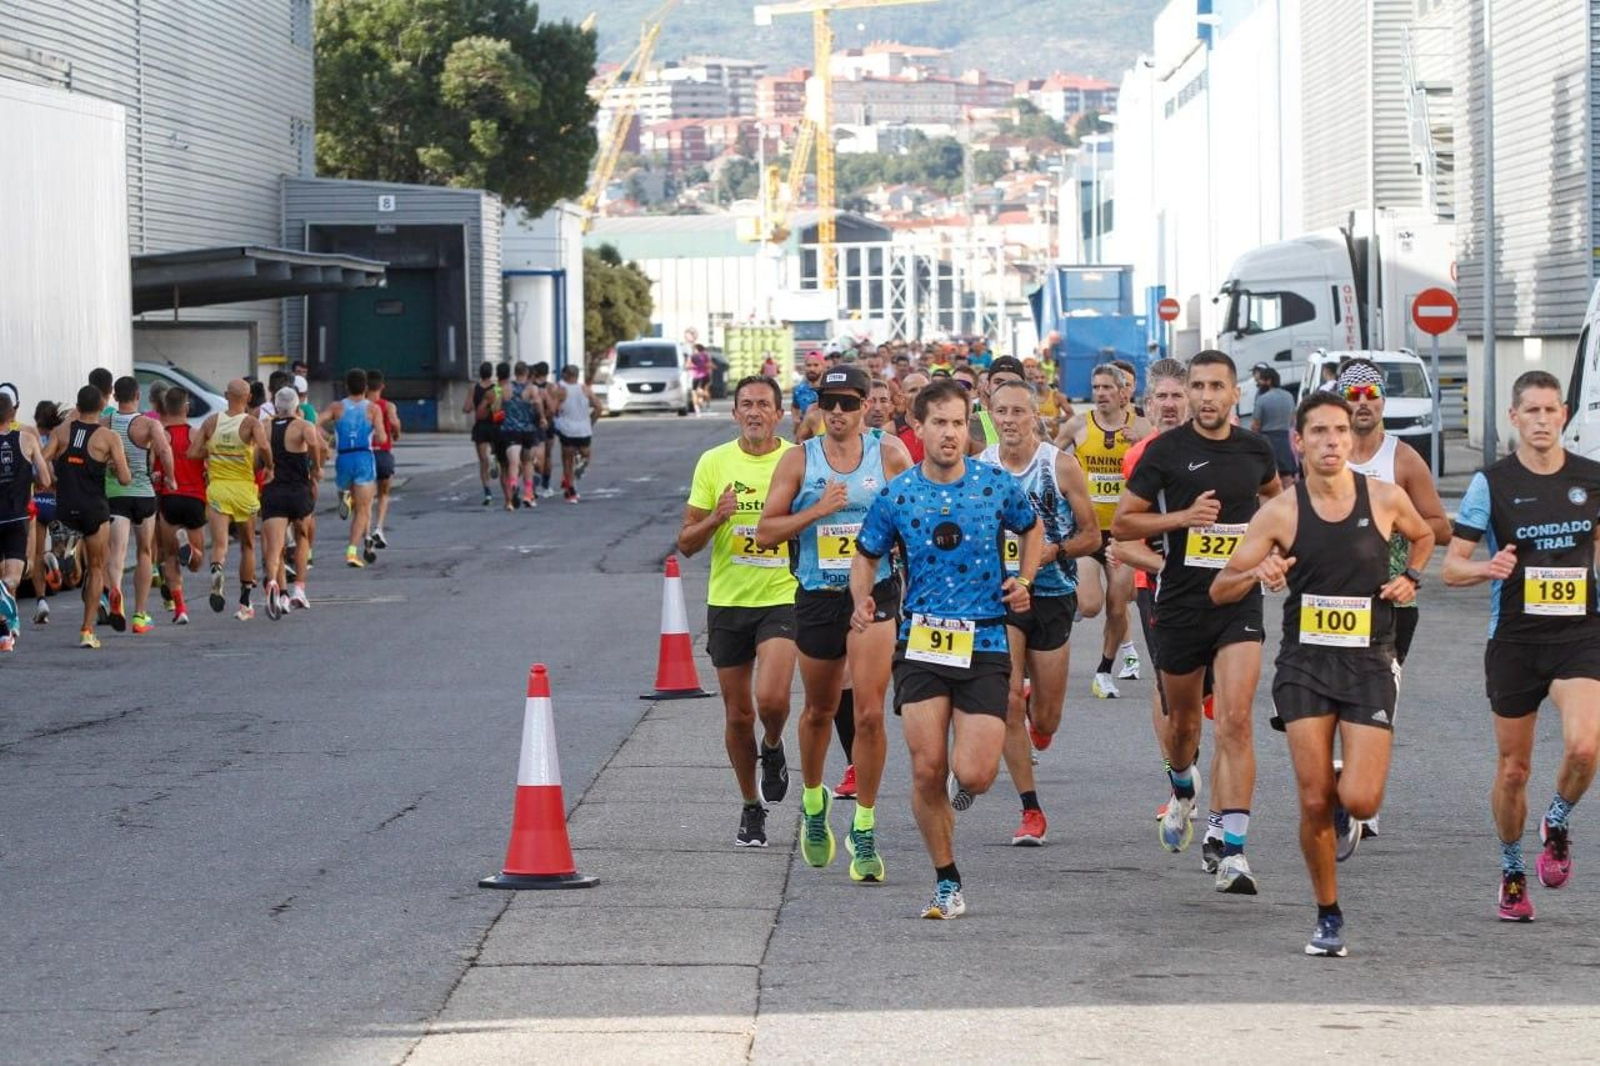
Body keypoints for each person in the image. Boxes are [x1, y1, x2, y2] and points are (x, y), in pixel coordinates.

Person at [1214, 391, 1432, 957]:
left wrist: (1410, 576)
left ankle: (1348, 803)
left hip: (1368, 661)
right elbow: (1221, 587)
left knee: (1359, 799)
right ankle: (1327, 914)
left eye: (1340, 432)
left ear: (1350, 439)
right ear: (1299, 441)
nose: (1332, 442)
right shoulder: (1281, 512)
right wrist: (1257, 570)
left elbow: (1429, 533)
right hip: (1304, 665)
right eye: (1319, 433)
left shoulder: (1384, 498)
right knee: (1312, 801)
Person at [854, 378, 1042, 919]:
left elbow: (1032, 529)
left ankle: (962, 781)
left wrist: (1024, 580)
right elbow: (867, 554)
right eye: (939, 422)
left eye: (959, 423)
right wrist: (863, 599)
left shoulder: (995, 485)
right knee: (925, 767)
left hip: (983, 639)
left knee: (976, 774)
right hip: (922, 642)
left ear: (969, 428)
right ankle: (945, 880)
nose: (950, 433)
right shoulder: (898, 495)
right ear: (918, 427)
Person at [1113, 350, 1281, 894]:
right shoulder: (1164, 452)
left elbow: (1280, 513)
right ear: (1187, 395)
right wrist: (1182, 519)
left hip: (1238, 600)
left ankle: (1233, 851)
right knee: (1183, 727)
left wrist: (1273, 556)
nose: (1207, 396)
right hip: (1180, 604)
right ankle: (1183, 787)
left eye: (1217, 387)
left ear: (1237, 394)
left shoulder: (1257, 451)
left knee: (1234, 721)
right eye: (1199, 387)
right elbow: (1122, 526)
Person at [1443, 370, 1600, 923]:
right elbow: (1451, 566)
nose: (1541, 421)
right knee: (1514, 769)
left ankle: (1556, 821)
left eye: (1550, 410)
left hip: (1580, 636)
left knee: (1584, 747)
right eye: (1530, 411)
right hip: (1514, 640)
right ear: (1514, 417)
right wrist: (1488, 566)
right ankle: (1512, 870)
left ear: (1564, 415)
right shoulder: (1492, 482)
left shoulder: (1592, 478)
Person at [756, 365, 912, 883]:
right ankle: (815, 801)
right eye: (829, 404)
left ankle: (864, 826)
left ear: (868, 404)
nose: (838, 413)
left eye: (848, 403)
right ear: (817, 408)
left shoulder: (888, 454)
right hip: (819, 595)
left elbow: (918, 517)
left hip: (873, 595)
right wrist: (816, 510)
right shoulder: (799, 460)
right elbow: (765, 532)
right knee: (820, 710)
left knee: (869, 714)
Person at [679, 375, 799, 848]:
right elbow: (686, 544)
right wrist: (716, 517)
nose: (754, 412)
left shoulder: (796, 460)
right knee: (737, 715)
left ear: (778, 413)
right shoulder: (713, 462)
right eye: (746, 404)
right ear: (734, 413)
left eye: (763, 405)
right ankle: (751, 806)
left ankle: (773, 747)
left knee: (772, 700)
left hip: (782, 594)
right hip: (729, 600)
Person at [980, 378, 1100, 846]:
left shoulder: (1061, 466)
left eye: (1018, 412)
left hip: (1051, 593)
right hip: (998, 596)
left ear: (1036, 417)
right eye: (1001, 412)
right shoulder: (979, 469)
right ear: (991, 417)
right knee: (1007, 699)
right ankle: (1030, 809)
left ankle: (1038, 719)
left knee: (1045, 720)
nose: (1009, 421)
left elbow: (1092, 536)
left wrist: (1051, 552)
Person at [1338, 357, 1452, 838]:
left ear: (1383, 400)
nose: (1363, 404)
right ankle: (1345, 785)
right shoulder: (1328, 453)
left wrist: (1398, 534)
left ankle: (1366, 792)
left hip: (1392, 601)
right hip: (1333, 598)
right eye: (1353, 394)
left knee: (1379, 698)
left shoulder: (1402, 459)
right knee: (1336, 694)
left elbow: (1441, 527)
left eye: (1371, 395)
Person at [1061, 363, 1152, 698]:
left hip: (1125, 532)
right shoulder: (1078, 425)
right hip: (1088, 531)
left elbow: (1170, 452)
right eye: (1095, 387)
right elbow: (1050, 458)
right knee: (1089, 605)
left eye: (1107, 388)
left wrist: (1146, 441)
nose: (1100, 394)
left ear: (1123, 391)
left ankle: (1104, 672)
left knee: (1118, 603)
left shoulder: (1143, 425)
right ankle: (1066, 595)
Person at [45, 385, 131, 648]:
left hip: (65, 505)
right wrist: (113, 468)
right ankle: (86, 631)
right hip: (95, 508)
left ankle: (61, 561)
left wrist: (52, 478)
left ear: (78, 406)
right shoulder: (109, 437)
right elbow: (126, 479)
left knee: (74, 569)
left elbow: (43, 461)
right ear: (101, 407)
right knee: (96, 569)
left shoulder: (60, 432)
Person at [190, 379, 273, 618]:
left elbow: (192, 452)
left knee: (219, 545)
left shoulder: (211, 421)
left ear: (226, 395)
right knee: (248, 545)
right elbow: (265, 447)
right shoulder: (251, 423)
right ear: (248, 398)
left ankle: (217, 570)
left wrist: (213, 450)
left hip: (218, 489)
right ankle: (245, 602)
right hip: (244, 490)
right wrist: (270, 466)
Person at [103, 377, 176, 635]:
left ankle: (115, 593)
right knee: (145, 552)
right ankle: (140, 615)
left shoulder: (106, 423)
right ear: (137, 395)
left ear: (114, 396)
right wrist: (170, 477)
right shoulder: (149, 424)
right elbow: (165, 452)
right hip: (143, 493)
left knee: (117, 551)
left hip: (114, 494)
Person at [259, 387, 321, 619]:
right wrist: (315, 467)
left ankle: (276, 586)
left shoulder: (264, 426)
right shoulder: (304, 426)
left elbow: (258, 458)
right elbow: (314, 444)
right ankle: (299, 589)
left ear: (276, 406)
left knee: (276, 547)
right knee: (302, 536)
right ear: (297, 406)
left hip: (274, 490)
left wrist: (268, 466)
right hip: (298, 489)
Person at [317, 369, 386, 569]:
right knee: (363, 510)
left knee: (347, 494)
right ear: (365, 387)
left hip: (344, 457)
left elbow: (313, 422)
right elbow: (381, 437)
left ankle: (345, 497)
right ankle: (352, 552)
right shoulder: (373, 409)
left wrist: (326, 439)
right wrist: (375, 433)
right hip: (363, 456)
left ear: (346, 386)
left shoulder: (337, 407)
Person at [0, 391, 51, 650]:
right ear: (12, 415)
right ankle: (5, 631)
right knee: (13, 579)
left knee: (4, 579)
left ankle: (4, 634)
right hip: (17, 518)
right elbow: (45, 478)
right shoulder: (28, 440)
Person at [154, 387, 207, 625]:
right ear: (186, 407)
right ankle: (192, 550)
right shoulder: (196, 435)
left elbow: (153, 470)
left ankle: (180, 609)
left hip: (169, 499)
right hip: (195, 499)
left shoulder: (160, 436)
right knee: (196, 564)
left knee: (170, 558)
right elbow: (208, 467)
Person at [27, 400, 64, 626]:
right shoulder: (59, 439)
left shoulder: (27, 439)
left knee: (37, 554)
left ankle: (41, 601)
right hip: (56, 500)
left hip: (35, 500)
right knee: (71, 545)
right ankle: (58, 557)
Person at [494, 362, 541, 511]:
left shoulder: (502, 388)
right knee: (527, 463)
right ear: (526, 373)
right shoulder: (533, 389)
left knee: (513, 463)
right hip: (528, 430)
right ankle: (528, 494)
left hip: (510, 430)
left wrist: (501, 422)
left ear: (514, 373)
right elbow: (539, 407)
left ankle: (513, 485)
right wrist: (542, 418)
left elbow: (495, 410)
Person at [551, 365, 601, 504]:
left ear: (566, 375)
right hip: (583, 429)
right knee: (586, 455)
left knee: (567, 462)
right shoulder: (585, 389)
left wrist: (556, 416)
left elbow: (554, 409)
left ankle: (571, 492)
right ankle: (582, 465)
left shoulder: (560, 390)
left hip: (568, 429)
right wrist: (591, 421)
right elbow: (599, 407)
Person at [367, 369, 402, 546]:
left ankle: (365, 532)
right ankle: (378, 528)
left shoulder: (360, 406)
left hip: (363, 454)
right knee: (384, 493)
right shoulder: (387, 406)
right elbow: (395, 423)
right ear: (382, 386)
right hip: (382, 453)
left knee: (366, 497)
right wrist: (396, 434)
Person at [1250, 366, 1299, 489]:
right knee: (1287, 478)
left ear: (1269, 381)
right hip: (1285, 440)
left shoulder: (1262, 399)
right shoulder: (1289, 396)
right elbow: (1293, 420)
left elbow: (1255, 426)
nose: (1259, 383)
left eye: (1261, 380)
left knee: (1269, 479)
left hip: (1267, 441)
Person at [466, 361, 499, 506]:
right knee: (498, 452)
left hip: (480, 427)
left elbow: (467, 407)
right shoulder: (496, 389)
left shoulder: (474, 388)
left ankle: (488, 494)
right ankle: (496, 460)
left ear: (480, 373)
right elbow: (499, 410)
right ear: (491, 374)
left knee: (482, 460)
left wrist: (473, 407)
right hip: (493, 425)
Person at [893, 371, 929, 462]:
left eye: (924, 390)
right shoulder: (890, 431)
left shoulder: (944, 427)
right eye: (913, 390)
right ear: (901, 397)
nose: (919, 394)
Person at [793, 351, 825, 423]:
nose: (812, 369)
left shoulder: (829, 389)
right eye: (808, 365)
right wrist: (796, 420)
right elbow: (795, 407)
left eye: (816, 365)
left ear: (823, 366)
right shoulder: (799, 390)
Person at [691, 344, 713, 414]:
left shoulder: (699, 356)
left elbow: (709, 365)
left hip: (701, 376)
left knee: (697, 391)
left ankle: (701, 404)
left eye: (695, 349)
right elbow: (710, 365)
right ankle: (704, 405)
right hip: (701, 376)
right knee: (700, 391)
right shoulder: (704, 355)